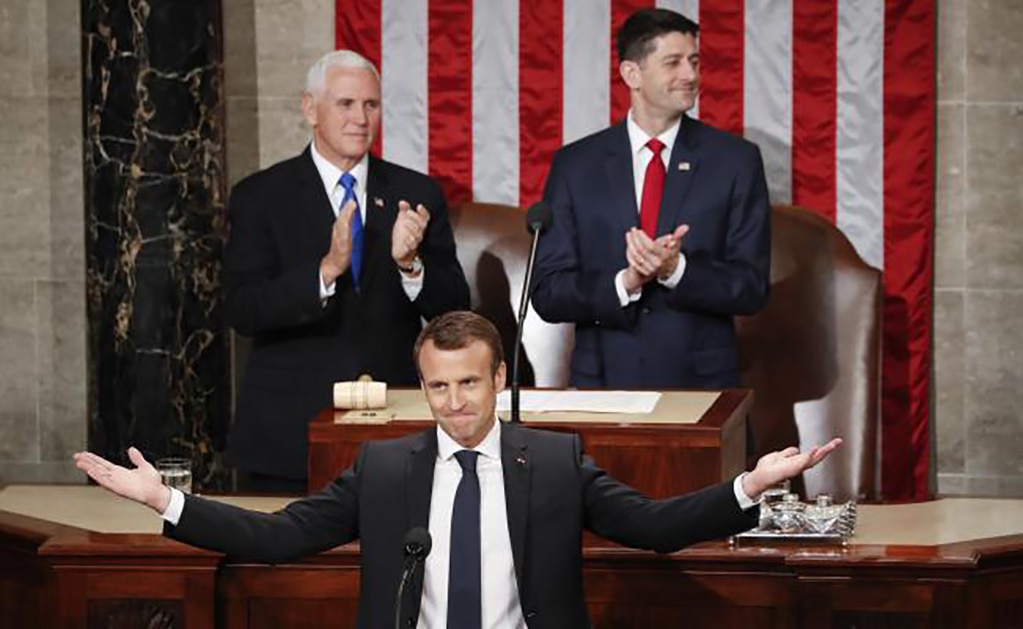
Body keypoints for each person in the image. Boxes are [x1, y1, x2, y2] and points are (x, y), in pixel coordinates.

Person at [75, 311, 840, 629]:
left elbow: (652, 526)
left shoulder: (551, 460)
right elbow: (278, 538)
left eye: (468, 382)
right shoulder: (380, 469)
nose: (453, 401)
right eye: (437, 385)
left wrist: (747, 486)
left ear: (498, 379)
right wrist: (165, 500)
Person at [224, 50, 470, 491]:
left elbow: (455, 307)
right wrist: (325, 270)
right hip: (289, 433)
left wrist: (410, 264)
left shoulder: (415, 193)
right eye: (346, 104)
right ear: (309, 109)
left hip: (394, 424)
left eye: (371, 105)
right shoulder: (260, 196)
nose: (361, 117)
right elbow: (244, 309)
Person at [532, 8, 771, 390]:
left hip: (702, 388)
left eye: (694, 61)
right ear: (632, 74)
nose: (690, 75)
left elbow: (751, 285)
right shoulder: (576, 166)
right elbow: (548, 292)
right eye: (673, 62)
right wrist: (624, 282)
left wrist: (675, 269)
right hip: (604, 386)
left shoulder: (735, 161)